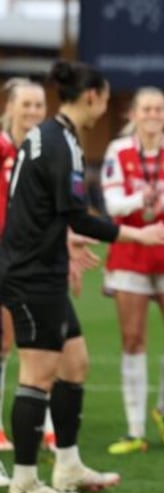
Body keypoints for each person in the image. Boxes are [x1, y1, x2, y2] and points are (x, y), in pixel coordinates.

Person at [0, 61, 164, 493]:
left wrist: (67, 239)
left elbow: (42, 206)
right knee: (37, 376)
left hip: (43, 267)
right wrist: (137, 233)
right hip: (32, 275)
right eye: (104, 97)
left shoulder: (48, 135)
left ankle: (68, 466)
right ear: (92, 96)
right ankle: (25, 485)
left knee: (75, 364)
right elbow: (75, 211)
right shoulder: (61, 143)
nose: (106, 107)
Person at [100, 87, 164, 455]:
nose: (153, 114)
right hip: (130, 252)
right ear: (134, 114)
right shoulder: (117, 151)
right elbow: (112, 204)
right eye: (146, 109)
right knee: (132, 340)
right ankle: (134, 429)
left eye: (159, 108)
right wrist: (142, 199)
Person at [0, 77, 60, 457]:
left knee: (39, 342)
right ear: (8, 108)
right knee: (6, 341)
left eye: (39, 105)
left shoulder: (45, 152)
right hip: (8, 257)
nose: (34, 112)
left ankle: (45, 425)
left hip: (35, 260)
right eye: (26, 104)